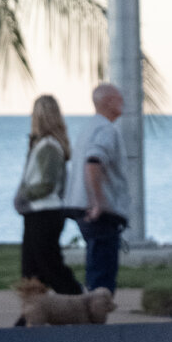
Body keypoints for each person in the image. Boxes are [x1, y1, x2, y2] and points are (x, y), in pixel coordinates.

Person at [64, 82, 130, 294]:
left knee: (95, 263)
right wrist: (98, 202)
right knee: (103, 271)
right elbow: (93, 162)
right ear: (109, 101)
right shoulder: (106, 129)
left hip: (81, 205)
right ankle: (95, 321)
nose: (124, 103)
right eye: (120, 98)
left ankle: (90, 314)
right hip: (99, 210)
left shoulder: (89, 128)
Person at [15, 94, 82, 297]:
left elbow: (47, 183)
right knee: (32, 269)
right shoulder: (42, 145)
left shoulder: (49, 147)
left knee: (49, 266)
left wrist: (23, 196)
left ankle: (78, 301)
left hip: (45, 212)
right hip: (36, 212)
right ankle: (33, 313)